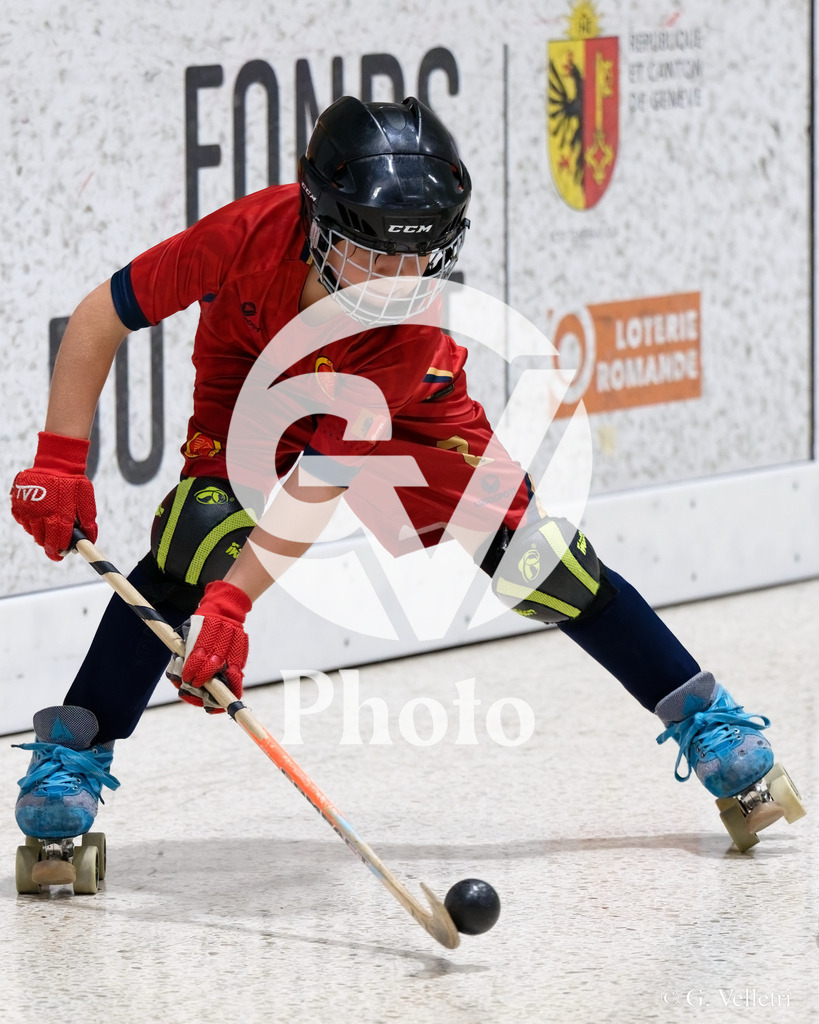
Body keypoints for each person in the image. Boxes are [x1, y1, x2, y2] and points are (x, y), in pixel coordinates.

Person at [9, 95, 794, 855]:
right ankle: (75, 753)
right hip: (251, 384)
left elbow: (320, 480)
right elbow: (99, 318)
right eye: (374, 252)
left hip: (411, 403)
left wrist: (233, 604)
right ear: (317, 222)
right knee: (198, 534)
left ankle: (706, 718)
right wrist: (60, 461)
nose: (400, 274)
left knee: (542, 564)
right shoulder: (245, 234)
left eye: (421, 253)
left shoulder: (408, 320)